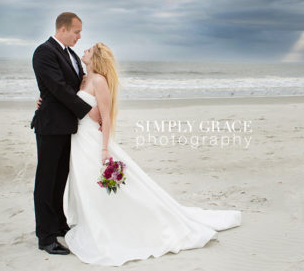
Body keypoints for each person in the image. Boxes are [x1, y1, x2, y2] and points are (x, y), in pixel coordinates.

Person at [63, 42, 242, 266]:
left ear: (96, 57)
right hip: (79, 139)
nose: (84, 51)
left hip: (93, 141)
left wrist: (105, 148)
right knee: (86, 183)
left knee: (103, 184)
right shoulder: (83, 79)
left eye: (88, 50)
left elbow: (106, 118)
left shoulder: (99, 80)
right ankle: (91, 219)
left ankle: (115, 222)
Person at [31, 12, 101, 255]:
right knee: (46, 181)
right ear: (63, 29)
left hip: (68, 126)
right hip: (50, 126)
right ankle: (46, 236)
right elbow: (58, 88)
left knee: (61, 178)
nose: (80, 37)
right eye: (77, 31)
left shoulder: (70, 54)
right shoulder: (44, 52)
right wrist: (88, 110)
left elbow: (76, 85)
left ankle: (59, 223)